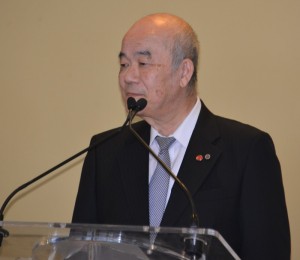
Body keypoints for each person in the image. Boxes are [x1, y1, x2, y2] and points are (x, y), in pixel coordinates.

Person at [72, 13, 290, 259]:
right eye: (124, 64)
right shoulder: (105, 151)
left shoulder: (247, 150)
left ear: (184, 72)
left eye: (143, 64)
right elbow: (80, 251)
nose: (128, 77)